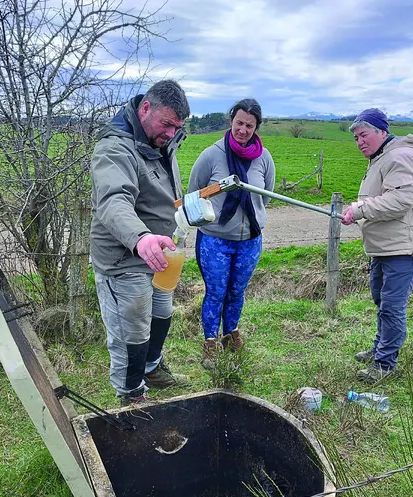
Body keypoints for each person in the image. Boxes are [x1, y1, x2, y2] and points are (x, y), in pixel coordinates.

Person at [90, 80, 190, 405]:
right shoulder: (114, 149)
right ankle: (131, 394)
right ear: (145, 109)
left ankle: (152, 367)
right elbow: (113, 201)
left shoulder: (161, 141)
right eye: (167, 124)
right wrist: (141, 237)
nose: (172, 133)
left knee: (162, 312)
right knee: (131, 333)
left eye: (178, 127)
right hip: (126, 258)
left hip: (160, 252)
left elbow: (164, 193)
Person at [341, 108, 413, 383]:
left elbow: (401, 201)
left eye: (364, 134)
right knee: (381, 301)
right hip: (387, 247)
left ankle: (384, 364)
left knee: (392, 306)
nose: (359, 141)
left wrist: (359, 209)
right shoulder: (382, 157)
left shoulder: (400, 156)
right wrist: (359, 212)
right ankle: (379, 349)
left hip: (405, 248)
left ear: (382, 131)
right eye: (356, 137)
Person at [188, 98, 275, 368]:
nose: (243, 129)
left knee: (237, 291)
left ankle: (230, 333)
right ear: (231, 121)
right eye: (239, 123)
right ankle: (210, 343)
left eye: (250, 125)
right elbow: (195, 191)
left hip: (249, 240)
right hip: (215, 239)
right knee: (215, 291)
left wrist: (251, 218)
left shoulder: (264, 158)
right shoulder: (212, 155)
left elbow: (265, 196)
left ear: (256, 127)